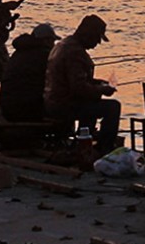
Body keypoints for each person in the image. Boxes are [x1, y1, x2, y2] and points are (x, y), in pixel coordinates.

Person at [44, 14, 120, 152]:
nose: (97, 43)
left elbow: (73, 80)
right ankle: (105, 148)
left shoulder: (63, 44)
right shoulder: (75, 52)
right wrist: (102, 90)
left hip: (52, 102)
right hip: (64, 105)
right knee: (112, 107)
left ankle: (83, 144)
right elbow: (78, 88)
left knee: (90, 106)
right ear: (88, 35)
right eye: (97, 38)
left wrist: (96, 83)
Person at [0, 22, 58, 123]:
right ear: (46, 40)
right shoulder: (44, 55)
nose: (53, 45)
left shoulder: (18, 53)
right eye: (52, 41)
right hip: (28, 109)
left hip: (7, 109)